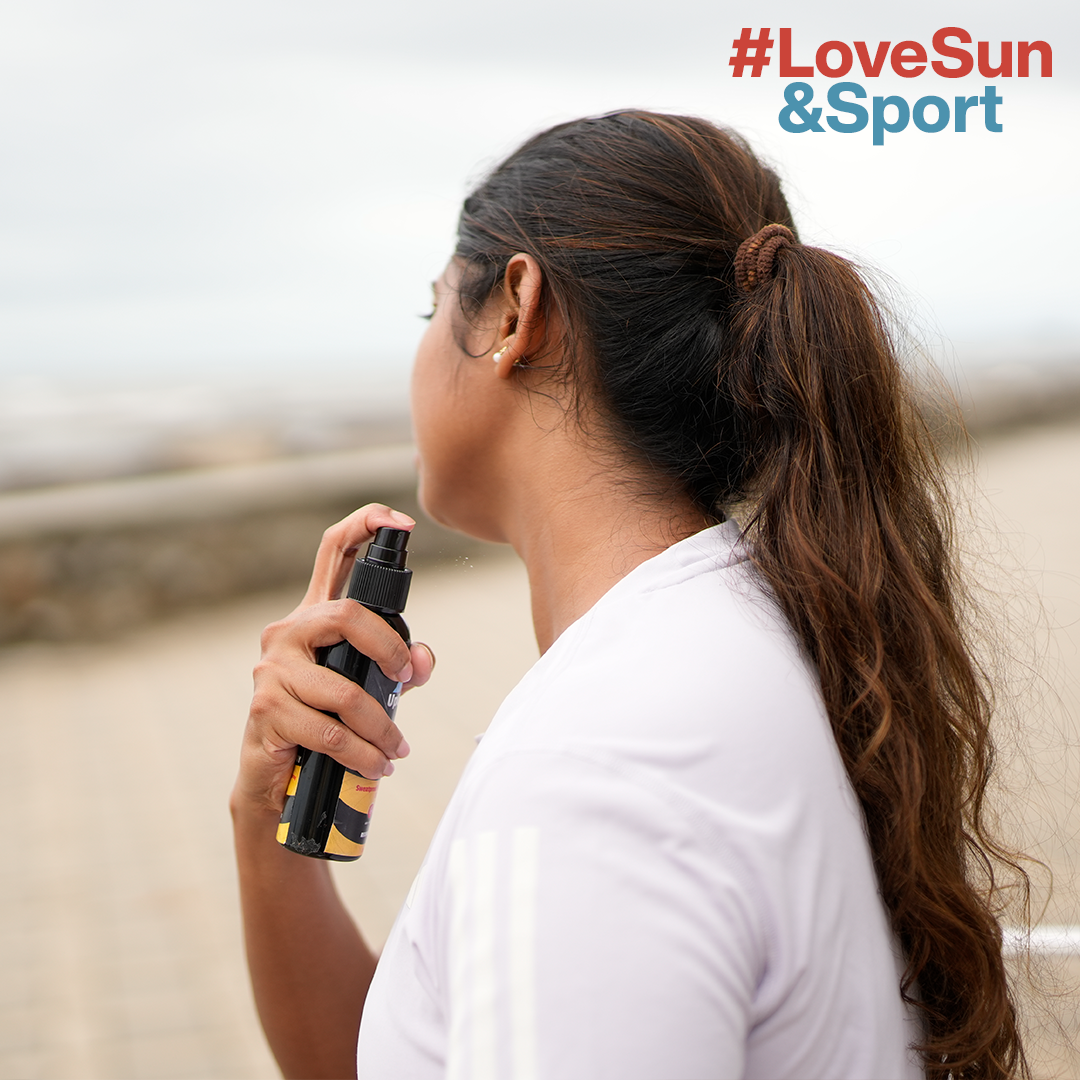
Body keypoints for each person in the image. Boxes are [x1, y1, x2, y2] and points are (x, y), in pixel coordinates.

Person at [231, 111, 1029, 1079]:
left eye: (432, 306)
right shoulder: (740, 630)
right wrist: (268, 828)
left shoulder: (593, 769)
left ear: (517, 310)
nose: (417, 353)